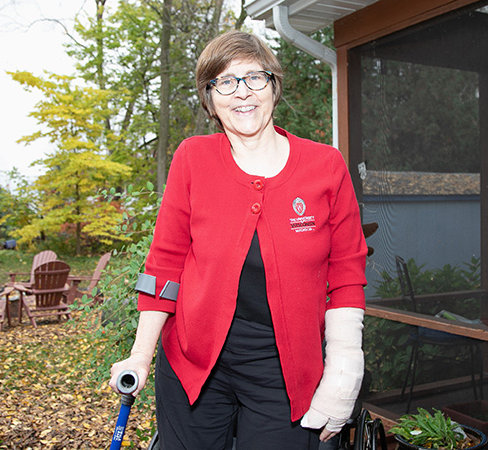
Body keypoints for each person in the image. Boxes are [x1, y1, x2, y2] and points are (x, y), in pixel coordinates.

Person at [108, 30, 367, 450]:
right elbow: (164, 265)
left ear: (274, 85)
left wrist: (344, 368)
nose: (241, 92)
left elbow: (347, 271)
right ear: (210, 99)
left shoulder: (325, 166)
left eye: (254, 77)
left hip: (282, 370)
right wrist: (140, 354)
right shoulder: (193, 158)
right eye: (225, 82)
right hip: (194, 362)